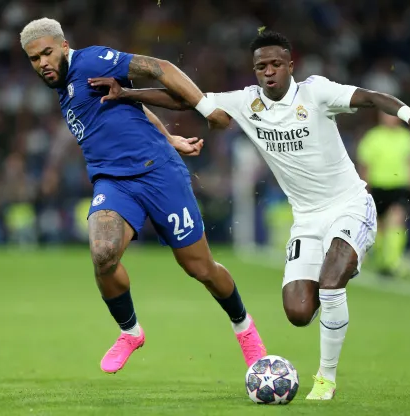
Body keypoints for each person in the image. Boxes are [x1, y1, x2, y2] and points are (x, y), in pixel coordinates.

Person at [89, 30, 410, 400]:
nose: (269, 72)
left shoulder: (316, 92)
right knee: (298, 311)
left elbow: (370, 97)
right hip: (306, 217)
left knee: (332, 282)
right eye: (261, 66)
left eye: (276, 64)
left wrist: (409, 113)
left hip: (349, 204)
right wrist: (129, 94)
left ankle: (325, 378)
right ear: (254, 70)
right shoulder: (246, 102)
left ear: (291, 65)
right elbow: (184, 100)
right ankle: (338, 275)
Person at [19, 17, 267, 375]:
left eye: (45, 53)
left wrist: (206, 109)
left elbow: (159, 68)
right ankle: (130, 331)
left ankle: (244, 328)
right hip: (115, 183)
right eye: (33, 58)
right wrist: (170, 137)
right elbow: (128, 108)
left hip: (160, 175)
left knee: (200, 268)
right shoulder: (62, 87)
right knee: (103, 254)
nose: (41, 63)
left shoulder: (90, 61)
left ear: (63, 46)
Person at [356, 110, 410, 277]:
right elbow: (365, 165)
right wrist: (364, 189)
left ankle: (392, 262)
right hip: (378, 186)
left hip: (398, 186)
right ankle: (383, 260)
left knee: (396, 223)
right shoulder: (372, 137)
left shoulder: (406, 138)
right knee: (380, 228)